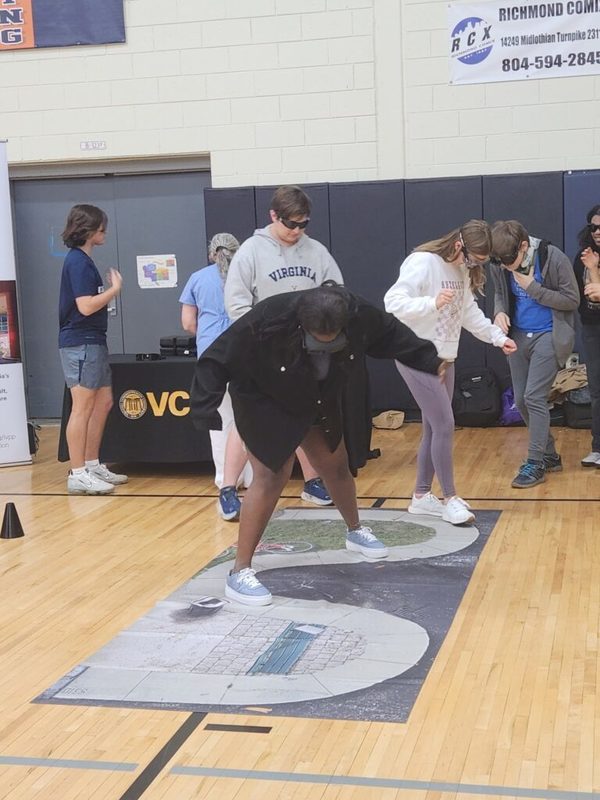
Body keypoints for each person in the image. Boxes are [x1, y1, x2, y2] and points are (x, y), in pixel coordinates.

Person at [191, 283, 445, 606]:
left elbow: (391, 332)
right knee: (272, 476)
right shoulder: (268, 318)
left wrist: (428, 358)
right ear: (301, 324)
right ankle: (239, 573)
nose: (324, 347)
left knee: (335, 464)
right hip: (263, 398)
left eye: (332, 342)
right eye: (317, 343)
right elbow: (215, 359)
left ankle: (355, 531)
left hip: (316, 395)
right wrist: (204, 411)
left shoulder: (357, 312)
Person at [384, 220, 517, 523]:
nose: (474, 265)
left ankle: (420, 496)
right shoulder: (423, 262)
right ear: (459, 245)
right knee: (445, 424)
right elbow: (392, 302)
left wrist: (498, 338)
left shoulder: (461, 273)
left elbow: (469, 314)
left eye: (480, 262)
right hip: (416, 355)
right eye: (473, 259)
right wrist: (431, 303)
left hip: (445, 357)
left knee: (434, 427)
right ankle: (450, 497)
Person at [224, 184, 344, 507]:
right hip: (263, 353)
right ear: (273, 216)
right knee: (252, 421)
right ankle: (228, 488)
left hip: (306, 352)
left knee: (306, 416)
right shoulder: (250, 251)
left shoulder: (316, 251)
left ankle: (313, 481)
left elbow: (336, 290)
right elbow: (236, 305)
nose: (297, 231)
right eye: (290, 223)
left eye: (303, 224)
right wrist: (261, 341)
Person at [489, 219, 579, 488]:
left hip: (548, 335)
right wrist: (499, 311)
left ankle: (536, 462)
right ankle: (550, 455)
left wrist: (533, 288)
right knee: (521, 399)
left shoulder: (552, 257)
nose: (506, 267)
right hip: (518, 336)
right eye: (501, 262)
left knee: (534, 397)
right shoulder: (500, 263)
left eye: (510, 261)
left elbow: (572, 300)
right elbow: (500, 294)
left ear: (524, 246)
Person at [180, 233, 252, 520]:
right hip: (242, 351)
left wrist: (206, 336)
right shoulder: (246, 276)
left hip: (211, 356)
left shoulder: (197, 278)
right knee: (245, 417)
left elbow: (187, 322)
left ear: (212, 254)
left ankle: (225, 479)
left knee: (220, 419)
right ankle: (250, 477)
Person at [58, 204, 127, 495]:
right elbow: (85, 306)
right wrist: (114, 290)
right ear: (88, 230)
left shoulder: (85, 261)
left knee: (104, 402)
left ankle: (92, 462)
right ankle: (77, 473)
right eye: (101, 227)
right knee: (83, 407)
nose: (105, 232)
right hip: (80, 341)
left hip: (94, 339)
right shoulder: (76, 262)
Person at [572, 205, 600, 467]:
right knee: (597, 389)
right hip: (593, 328)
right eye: (594, 227)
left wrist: (595, 270)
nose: (598, 232)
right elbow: (587, 296)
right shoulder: (582, 255)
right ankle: (598, 447)